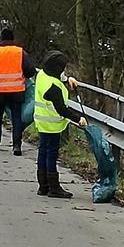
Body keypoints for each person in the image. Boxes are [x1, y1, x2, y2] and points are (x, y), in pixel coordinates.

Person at [34, 50, 87, 198]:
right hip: (52, 125)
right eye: (63, 68)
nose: (64, 70)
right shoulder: (53, 88)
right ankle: (54, 187)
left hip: (41, 122)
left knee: (42, 152)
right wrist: (78, 119)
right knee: (51, 154)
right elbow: (62, 110)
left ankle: (43, 186)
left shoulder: (42, 75)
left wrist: (67, 79)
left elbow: (56, 76)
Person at [0, 27, 36, 155]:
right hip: (16, 91)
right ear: (12, 38)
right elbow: (31, 71)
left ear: (1, 38)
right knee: (16, 118)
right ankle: (16, 146)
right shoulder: (20, 53)